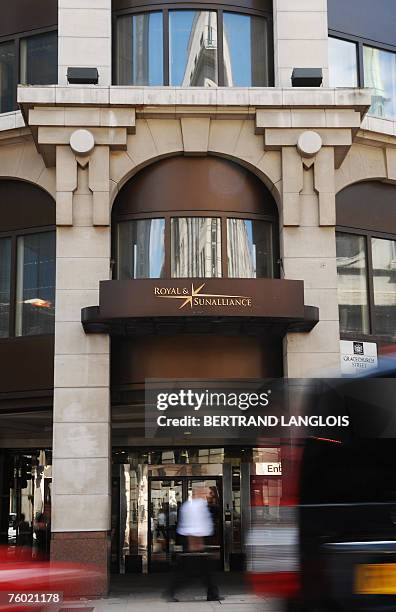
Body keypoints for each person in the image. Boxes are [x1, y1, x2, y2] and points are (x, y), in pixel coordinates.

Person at [165, 486, 223, 602]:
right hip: (195, 545)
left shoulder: (191, 506)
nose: (210, 495)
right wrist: (197, 546)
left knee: (205, 573)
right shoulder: (196, 507)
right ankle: (171, 591)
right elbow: (194, 528)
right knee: (189, 574)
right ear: (200, 493)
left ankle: (212, 593)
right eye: (208, 493)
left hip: (195, 544)